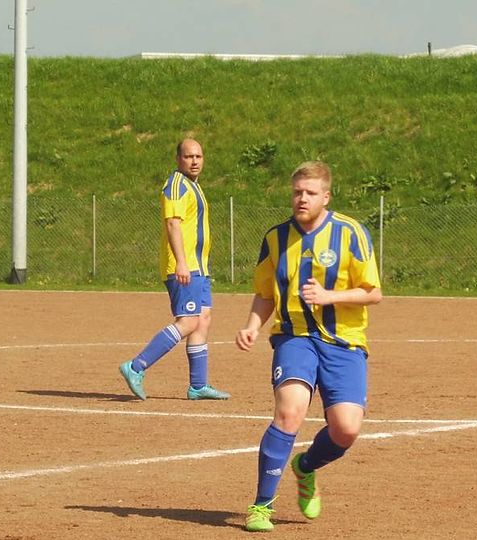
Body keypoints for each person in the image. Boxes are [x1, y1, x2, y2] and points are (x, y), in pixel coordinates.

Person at [235, 160, 382, 532]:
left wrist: (330, 296)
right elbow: (265, 293)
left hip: (344, 342)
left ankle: (306, 466)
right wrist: (252, 325)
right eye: (297, 192)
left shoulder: (351, 233)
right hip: (294, 337)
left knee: (346, 429)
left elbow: (373, 292)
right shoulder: (276, 238)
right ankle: (261, 507)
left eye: (310, 193)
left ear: (326, 196)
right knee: (290, 411)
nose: (302, 198)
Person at [118, 139, 230, 401]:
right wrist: (181, 262)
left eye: (198, 156)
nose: (194, 161)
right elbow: (172, 224)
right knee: (188, 321)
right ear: (178, 159)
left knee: (202, 319)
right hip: (185, 266)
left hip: (198, 267)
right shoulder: (176, 185)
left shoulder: (193, 185)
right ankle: (136, 366)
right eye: (189, 156)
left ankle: (198, 385)